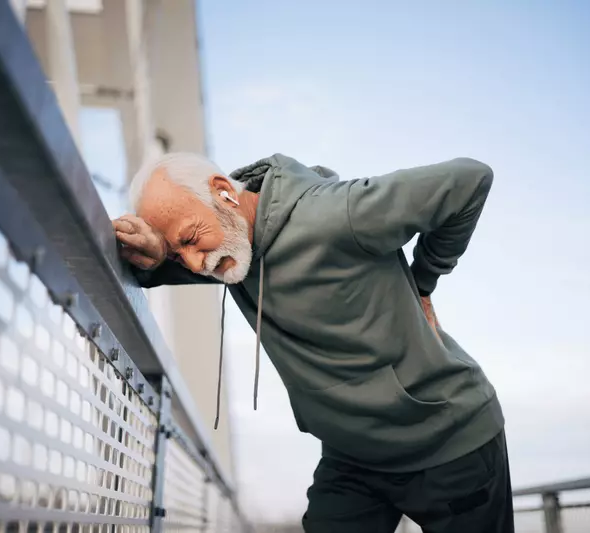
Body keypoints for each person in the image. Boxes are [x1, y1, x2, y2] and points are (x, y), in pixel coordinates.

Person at [113, 152, 513, 532]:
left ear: (224, 192)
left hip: (448, 444)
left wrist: (424, 280)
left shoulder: (335, 214)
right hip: (353, 459)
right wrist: (162, 249)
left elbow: (469, 180)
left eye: (190, 239)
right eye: (181, 255)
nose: (197, 265)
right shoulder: (225, 249)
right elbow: (145, 269)